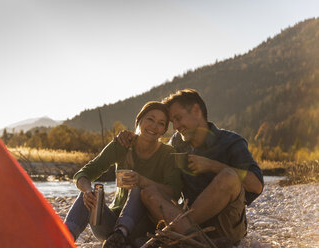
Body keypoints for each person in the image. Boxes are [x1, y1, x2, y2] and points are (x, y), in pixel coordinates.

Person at [116, 89, 264, 246]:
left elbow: (257, 185)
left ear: (196, 110)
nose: (176, 127)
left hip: (225, 227)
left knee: (229, 176)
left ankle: (176, 236)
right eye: (173, 122)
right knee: (149, 192)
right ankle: (194, 241)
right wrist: (131, 141)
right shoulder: (177, 143)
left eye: (178, 119)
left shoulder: (231, 142)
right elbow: (155, 159)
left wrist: (212, 165)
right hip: (183, 222)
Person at [64, 101, 183, 247]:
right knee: (88, 195)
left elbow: (174, 192)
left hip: (145, 227)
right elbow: (84, 173)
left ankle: (120, 235)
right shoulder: (122, 144)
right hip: (110, 226)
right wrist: (87, 190)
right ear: (138, 121)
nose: (154, 126)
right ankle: (62, 238)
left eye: (161, 123)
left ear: (164, 130)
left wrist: (141, 180)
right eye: (150, 119)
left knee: (138, 188)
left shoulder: (168, 153)